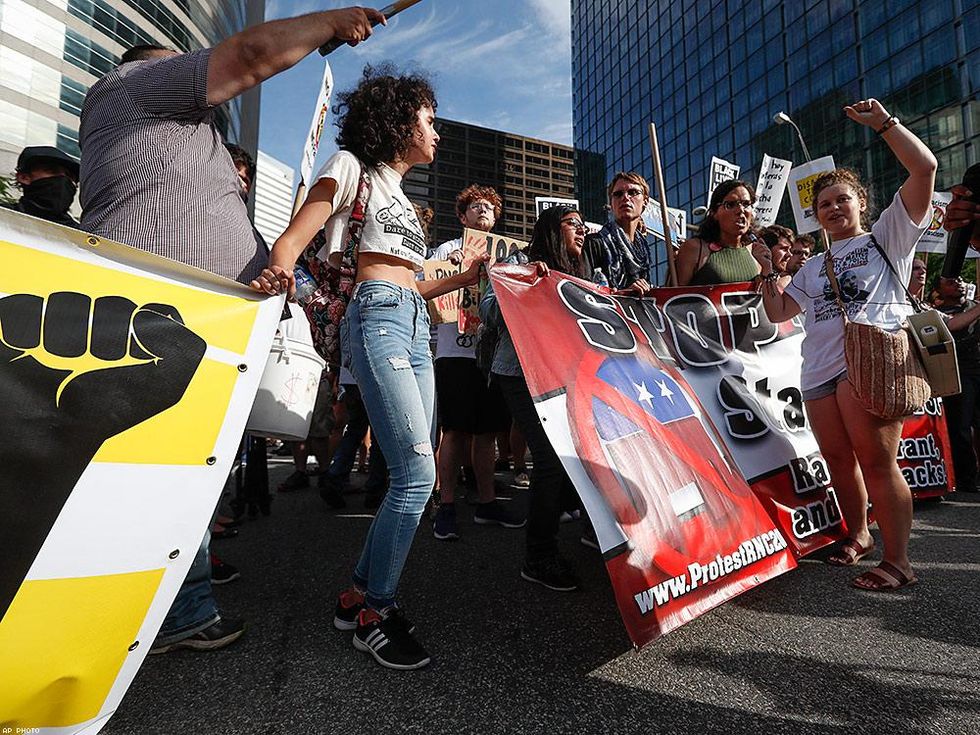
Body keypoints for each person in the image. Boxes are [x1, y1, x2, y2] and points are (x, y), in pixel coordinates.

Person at [78, 6, 385, 654]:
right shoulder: (135, 86)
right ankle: (162, 609)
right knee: (168, 468)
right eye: (182, 68)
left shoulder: (177, 138)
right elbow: (246, 57)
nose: (197, 84)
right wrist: (333, 21)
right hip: (164, 313)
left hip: (192, 316)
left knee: (185, 467)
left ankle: (177, 600)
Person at [251, 66, 485, 671]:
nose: (437, 132)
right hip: (376, 316)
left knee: (418, 470)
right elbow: (298, 233)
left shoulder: (406, 199)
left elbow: (414, 278)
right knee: (414, 471)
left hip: (413, 319)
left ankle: (357, 593)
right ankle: (373, 613)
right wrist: (277, 269)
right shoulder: (351, 166)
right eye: (429, 120)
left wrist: (465, 277)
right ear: (398, 122)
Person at [752, 97, 936, 592]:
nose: (833, 208)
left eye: (842, 200)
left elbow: (925, 169)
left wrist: (885, 124)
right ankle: (859, 534)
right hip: (818, 374)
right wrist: (769, 269)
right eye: (823, 204)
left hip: (869, 366)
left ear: (862, 205)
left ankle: (899, 561)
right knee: (838, 460)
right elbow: (778, 313)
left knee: (878, 461)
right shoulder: (811, 267)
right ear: (814, 217)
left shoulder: (887, 238)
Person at [481, 205, 596, 592]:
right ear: (551, 228)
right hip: (520, 373)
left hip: (566, 374)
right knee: (549, 460)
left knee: (575, 456)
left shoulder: (585, 273)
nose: (581, 232)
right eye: (572, 225)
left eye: (583, 226)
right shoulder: (520, 261)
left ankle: (567, 516)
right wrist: (525, 285)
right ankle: (539, 556)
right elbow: (488, 310)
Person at [429, 185, 525, 540]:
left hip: (491, 353)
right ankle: (448, 504)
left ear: (496, 217)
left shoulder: (509, 255)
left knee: (486, 431)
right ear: (462, 216)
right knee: (454, 429)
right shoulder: (448, 250)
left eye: (489, 207)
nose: (483, 210)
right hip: (456, 351)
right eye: (475, 206)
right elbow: (432, 291)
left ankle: (487, 502)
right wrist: (453, 270)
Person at [932, 275, 980, 492]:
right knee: (961, 427)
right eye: (950, 282)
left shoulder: (974, 305)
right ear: (938, 291)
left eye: (960, 279)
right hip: (959, 373)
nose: (958, 283)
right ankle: (966, 478)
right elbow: (952, 326)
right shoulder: (935, 312)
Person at [676, 180, 761, 286]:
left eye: (746, 204)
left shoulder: (756, 252)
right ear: (714, 213)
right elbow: (673, 298)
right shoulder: (695, 248)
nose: (740, 210)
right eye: (730, 205)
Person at [584, 172, 653, 293]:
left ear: (645, 201)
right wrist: (624, 293)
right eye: (618, 194)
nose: (625, 197)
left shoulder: (644, 251)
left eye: (633, 192)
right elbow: (581, 291)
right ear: (611, 203)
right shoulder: (593, 243)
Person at [2, 145, 81, 228]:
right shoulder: (3, 216)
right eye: (52, 171)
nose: (63, 179)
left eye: (70, 176)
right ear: (23, 177)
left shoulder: (84, 236)